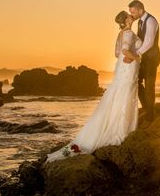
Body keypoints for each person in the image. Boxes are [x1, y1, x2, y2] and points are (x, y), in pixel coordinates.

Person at [46, 10, 141, 162]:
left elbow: (117, 54)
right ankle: (121, 130)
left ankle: (113, 125)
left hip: (121, 69)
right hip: (128, 69)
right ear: (127, 20)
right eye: (129, 15)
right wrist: (137, 57)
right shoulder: (128, 33)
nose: (131, 16)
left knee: (119, 95)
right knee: (125, 96)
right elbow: (123, 51)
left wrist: (129, 55)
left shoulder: (121, 33)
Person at [126, 0, 160, 122]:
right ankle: (147, 108)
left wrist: (136, 55)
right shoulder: (140, 22)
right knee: (137, 81)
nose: (132, 15)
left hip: (151, 58)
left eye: (133, 12)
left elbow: (149, 42)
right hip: (144, 58)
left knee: (150, 86)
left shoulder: (151, 21)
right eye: (131, 12)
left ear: (141, 10)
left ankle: (151, 116)